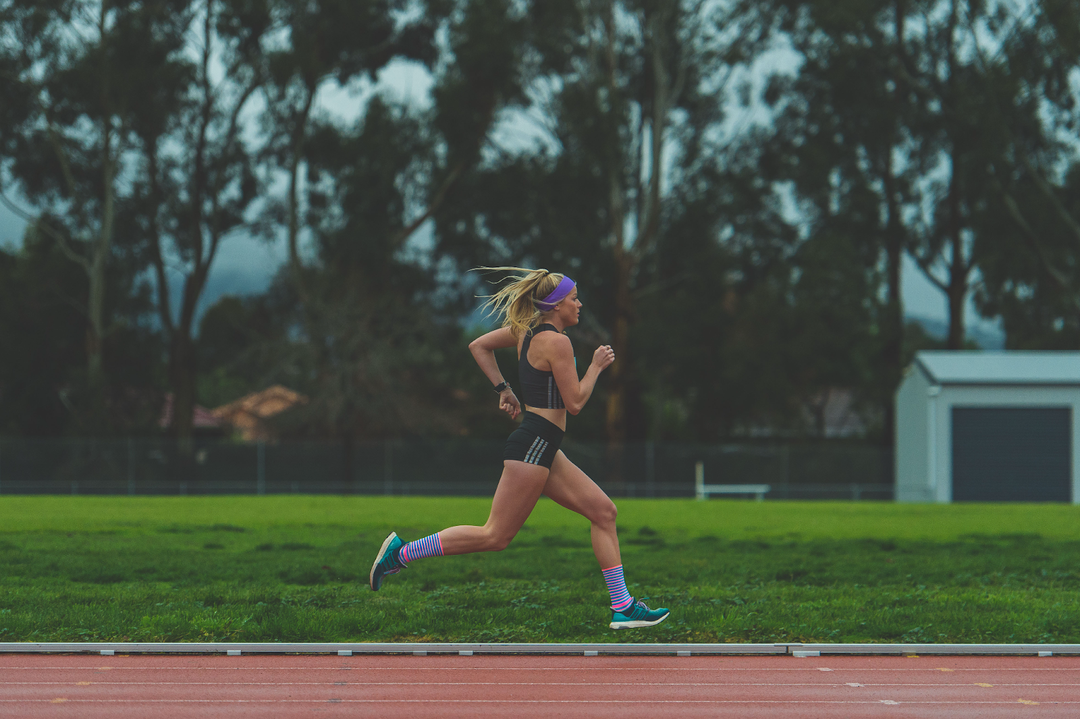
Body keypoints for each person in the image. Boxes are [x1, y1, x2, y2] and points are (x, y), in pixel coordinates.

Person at [368, 267, 669, 630]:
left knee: (604, 512)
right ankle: (401, 553)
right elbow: (574, 403)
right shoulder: (557, 342)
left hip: (544, 446)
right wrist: (595, 367)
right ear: (557, 306)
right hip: (534, 445)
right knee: (495, 535)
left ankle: (622, 606)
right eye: (574, 298)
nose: (579, 304)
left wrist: (503, 389)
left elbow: (478, 346)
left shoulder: (525, 333)